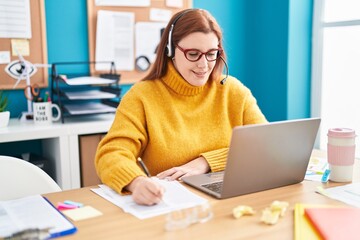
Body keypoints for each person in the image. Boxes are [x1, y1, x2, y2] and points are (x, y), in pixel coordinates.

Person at [95, 8, 267, 206]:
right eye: (193, 54)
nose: (204, 64)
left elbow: (264, 145)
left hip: (233, 202)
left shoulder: (233, 91)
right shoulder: (142, 97)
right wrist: (137, 182)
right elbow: (111, 153)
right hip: (174, 208)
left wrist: (205, 163)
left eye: (212, 53)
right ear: (170, 50)